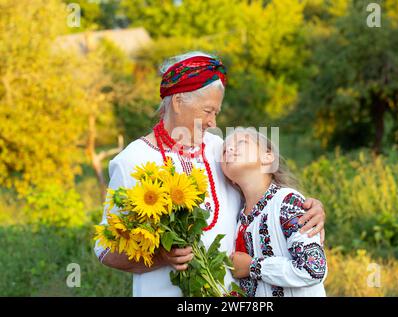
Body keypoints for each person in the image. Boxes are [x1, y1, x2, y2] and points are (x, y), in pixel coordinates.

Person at [94, 51, 326, 297]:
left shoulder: (220, 150)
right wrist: (162, 256)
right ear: (178, 100)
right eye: (208, 111)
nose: (213, 122)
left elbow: (262, 193)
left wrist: (308, 207)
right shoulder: (133, 160)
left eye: (216, 112)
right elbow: (105, 250)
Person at [222, 128, 327, 296]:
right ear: (230, 179)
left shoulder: (287, 202)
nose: (230, 150)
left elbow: (313, 269)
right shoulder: (239, 220)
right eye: (225, 150)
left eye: (241, 143)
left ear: (268, 157)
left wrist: (253, 267)